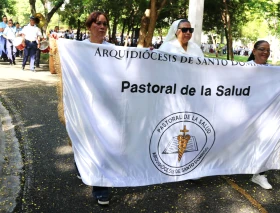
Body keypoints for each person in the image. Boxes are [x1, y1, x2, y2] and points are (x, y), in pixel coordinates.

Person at [74, 11, 113, 206]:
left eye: (105, 23)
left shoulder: (113, 50)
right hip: (83, 105)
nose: (102, 26)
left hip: (105, 106)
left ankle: (100, 187)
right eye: (98, 23)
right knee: (83, 140)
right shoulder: (78, 48)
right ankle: (81, 164)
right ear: (89, 26)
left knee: (102, 144)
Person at [247, 40, 272, 189]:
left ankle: (259, 174)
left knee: (266, 140)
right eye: (262, 49)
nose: (265, 53)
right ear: (254, 50)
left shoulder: (272, 71)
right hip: (246, 113)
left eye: (268, 50)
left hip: (265, 114)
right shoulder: (244, 68)